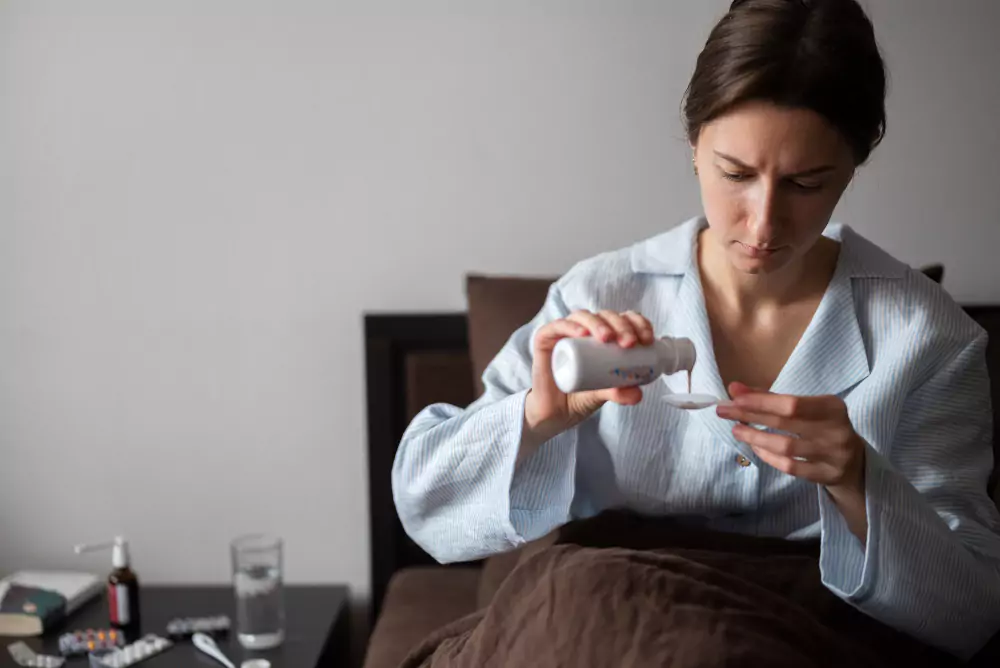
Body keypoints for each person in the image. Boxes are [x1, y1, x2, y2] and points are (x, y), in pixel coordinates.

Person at [392, 0, 1000, 659]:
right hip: (596, 614)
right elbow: (427, 507)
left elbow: (972, 613)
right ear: (694, 147)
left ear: (853, 167)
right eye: (736, 174)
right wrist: (537, 417)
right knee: (581, 595)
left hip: (804, 631)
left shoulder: (929, 340)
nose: (763, 225)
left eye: (805, 183)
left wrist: (859, 480)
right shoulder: (600, 293)